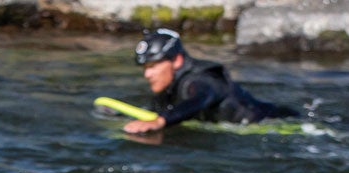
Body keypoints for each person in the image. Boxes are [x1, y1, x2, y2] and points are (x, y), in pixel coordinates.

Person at [123, 28, 299, 135]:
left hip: (279, 122)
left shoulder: (200, 80)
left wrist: (161, 121)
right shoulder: (168, 87)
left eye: (153, 66)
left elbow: (200, 99)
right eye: (145, 67)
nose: (147, 74)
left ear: (176, 60)